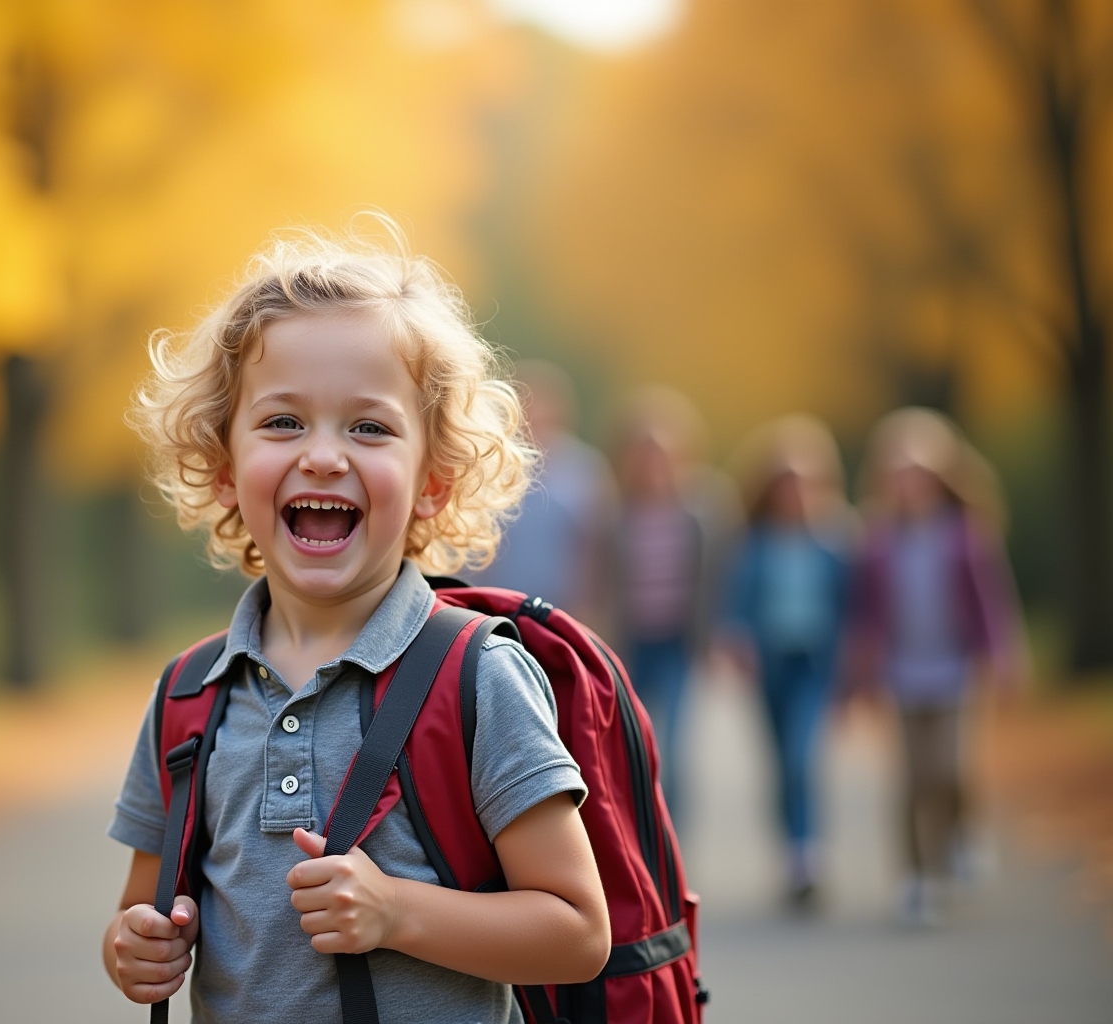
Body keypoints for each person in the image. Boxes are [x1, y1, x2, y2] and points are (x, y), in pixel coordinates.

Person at [105, 222, 610, 1022]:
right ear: (225, 467)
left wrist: (397, 913)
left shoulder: (477, 677)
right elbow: (143, 907)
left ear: (433, 482)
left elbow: (577, 930)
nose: (324, 456)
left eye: (369, 427)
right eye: (282, 422)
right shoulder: (190, 693)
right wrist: (135, 947)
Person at [848, 407, 1027, 926]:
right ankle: (916, 878)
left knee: (949, 769)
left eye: (919, 473)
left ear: (939, 476)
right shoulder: (878, 540)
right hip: (901, 673)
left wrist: (1005, 655)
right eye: (899, 474)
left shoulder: (965, 534)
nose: (909, 485)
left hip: (953, 670)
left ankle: (960, 837)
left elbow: (991, 601)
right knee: (909, 778)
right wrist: (859, 670)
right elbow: (865, 613)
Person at [717, 415, 855, 911]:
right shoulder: (753, 544)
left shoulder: (837, 541)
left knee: (801, 757)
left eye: (804, 484)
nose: (795, 495)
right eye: (785, 485)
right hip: (771, 666)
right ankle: (792, 854)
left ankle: (809, 854)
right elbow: (733, 605)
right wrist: (734, 640)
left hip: (815, 666)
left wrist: (856, 672)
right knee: (780, 763)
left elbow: (853, 609)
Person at [603, 387, 732, 818]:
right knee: (629, 742)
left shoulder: (700, 510)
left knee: (673, 744)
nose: (652, 463)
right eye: (643, 452)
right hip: (630, 641)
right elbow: (602, 579)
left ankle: (673, 838)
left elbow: (716, 578)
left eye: (660, 452)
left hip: (678, 641)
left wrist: (717, 636)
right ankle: (638, 831)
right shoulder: (616, 512)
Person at [465, 360, 615, 627]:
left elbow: (595, 547)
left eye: (543, 406)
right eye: (527, 406)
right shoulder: (495, 466)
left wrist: (590, 605)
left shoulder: (585, 470)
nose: (535, 416)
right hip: (503, 606)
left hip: (564, 610)